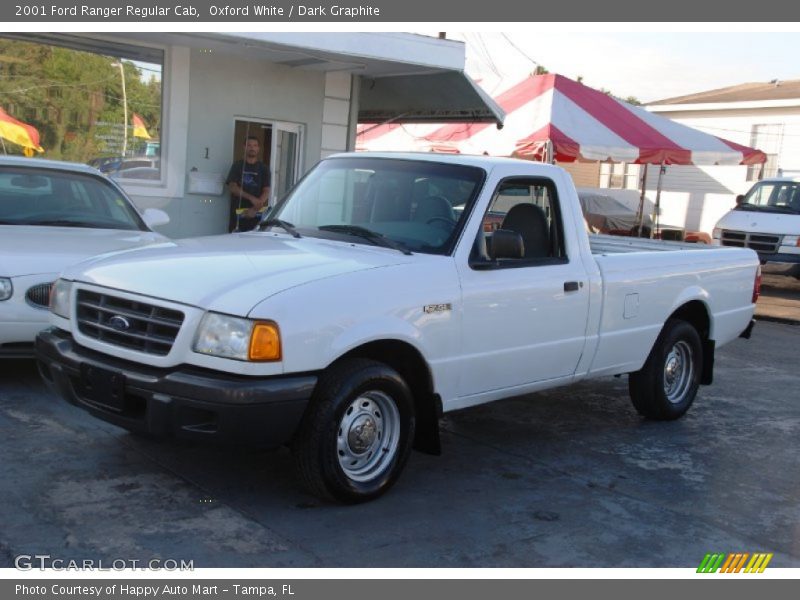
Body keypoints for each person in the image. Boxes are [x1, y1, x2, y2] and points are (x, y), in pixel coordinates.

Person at [226, 136, 270, 232]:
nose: (252, 148)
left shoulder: (264, 168)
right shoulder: (237, 165)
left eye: (255, 145)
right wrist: (251, 198)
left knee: (255, 243)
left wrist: (254, 209)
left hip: (257, 214)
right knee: (234, 242)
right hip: (238, 212)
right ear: (244, 147)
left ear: (258, 148)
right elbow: (232, 187)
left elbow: (266, 191)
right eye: (249, 145)